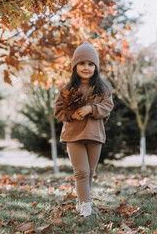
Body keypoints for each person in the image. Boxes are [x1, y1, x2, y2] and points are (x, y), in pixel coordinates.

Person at [54, 41, 114, 217]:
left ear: (96, 66)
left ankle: (82, 201)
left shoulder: (102, 89)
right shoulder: (68, 89)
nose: (86, 67)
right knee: (81, 171)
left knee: (90, 172)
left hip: (95, 134)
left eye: (90, 64)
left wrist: (91, 109)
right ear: (75, 66)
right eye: (81, 63)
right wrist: (73, 115)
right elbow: (58, 111)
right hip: (73, 136)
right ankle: (86, 206)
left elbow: (107, 107)